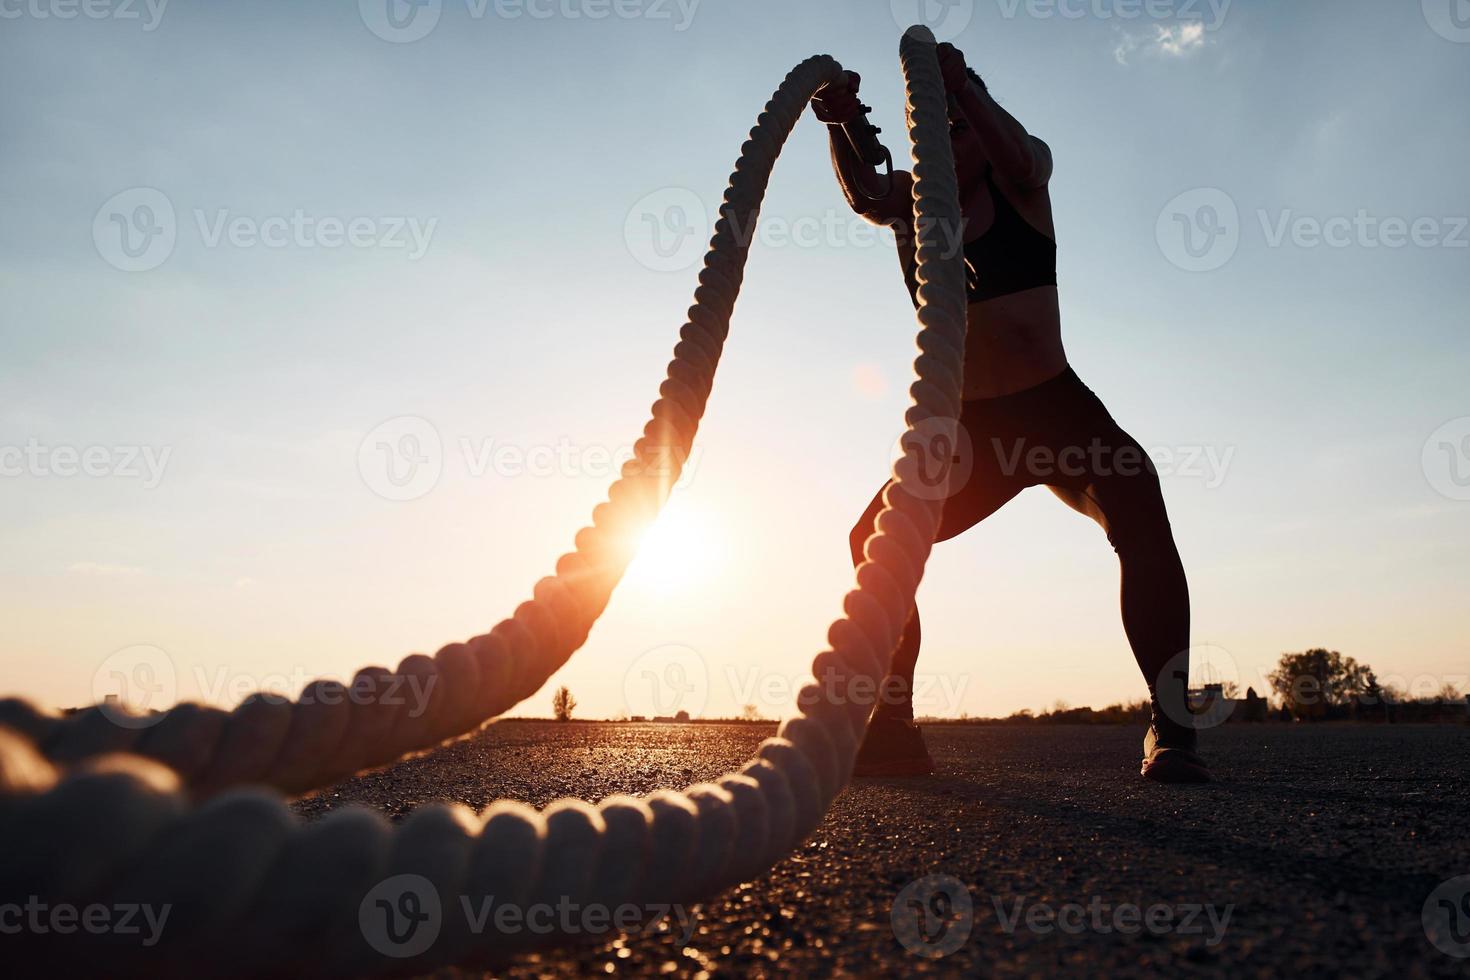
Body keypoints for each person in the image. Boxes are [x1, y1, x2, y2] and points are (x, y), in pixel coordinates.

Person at [812, 43, 1209, 783]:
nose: (950, 140)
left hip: (1056, 411)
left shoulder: (1022, 182)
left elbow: (1023, 157)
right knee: (875, 540)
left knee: (1140, 510)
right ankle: (893, 729)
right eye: (939, 130)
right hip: (970, 435)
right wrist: (837, 122)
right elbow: (865, 190)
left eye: (961, 129)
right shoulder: (914, 207)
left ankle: (1172, 726)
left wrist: (960, 87)